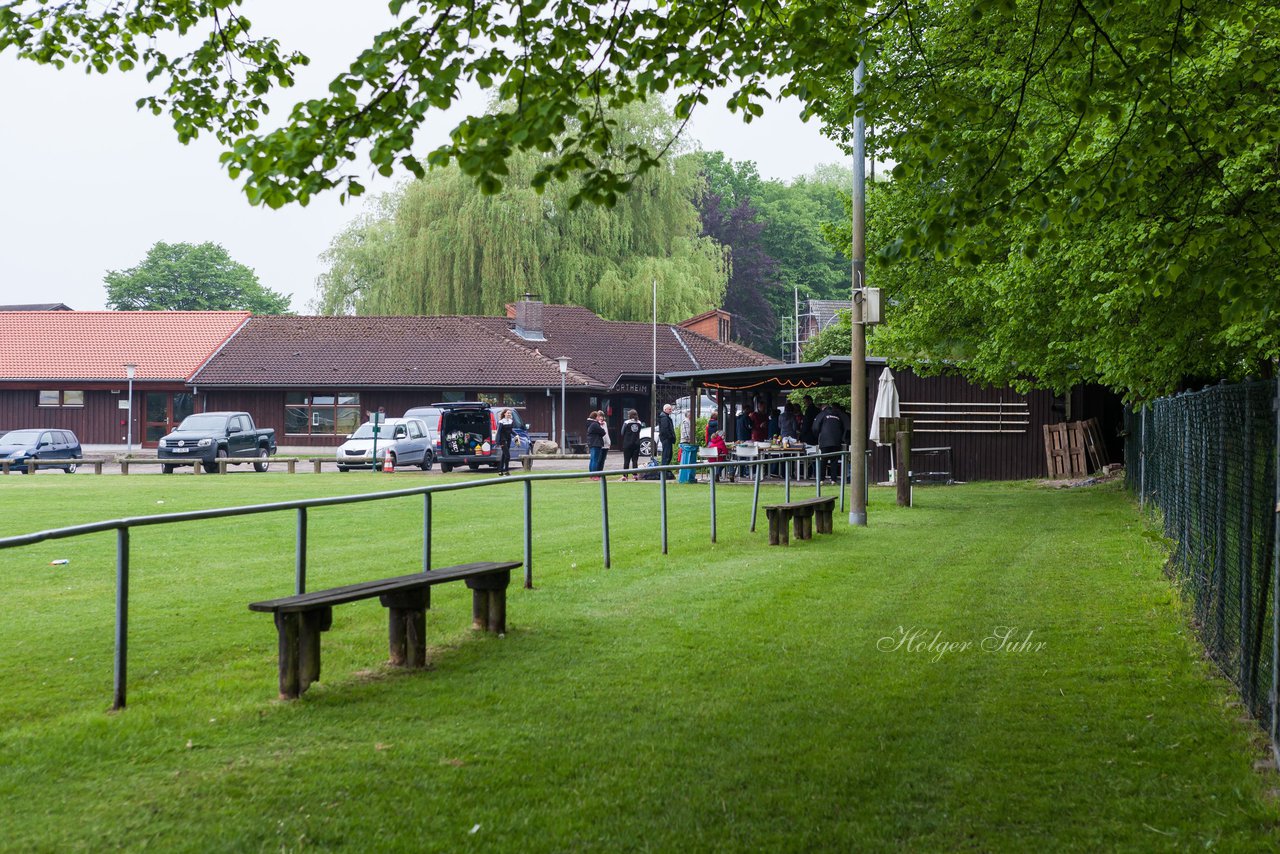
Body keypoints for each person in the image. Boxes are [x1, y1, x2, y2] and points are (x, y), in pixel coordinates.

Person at [813, 403, 846, 483]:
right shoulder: (838, 415)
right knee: (834, 460)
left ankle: (821, 479)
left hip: (825, 441)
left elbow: (815, 427)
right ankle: (833, 480)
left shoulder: (821, 414)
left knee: (823, 460)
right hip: (836, 441)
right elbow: (843, 427)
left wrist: (817, 436)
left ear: (823, 408)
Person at [619, 409, 643, 480]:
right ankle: (635, 475)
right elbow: (639, 431)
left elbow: (622, 432)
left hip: (627, 443)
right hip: (636, 443)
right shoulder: (639, 422)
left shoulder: (626, 422)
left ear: (630, 415)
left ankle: (625, 475)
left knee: (626, 460)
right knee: (635, 460)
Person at [657, 403, 676, 477]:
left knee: (668, 454)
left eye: (671, 409)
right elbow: (665, 429)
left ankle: (665, 469)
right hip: (666, 439)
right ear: (665, 410)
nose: (671, 410)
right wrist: (670, 436)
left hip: (666, 438)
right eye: (669, 409)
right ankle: (664, 470)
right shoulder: (664, 418)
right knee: (667, 454)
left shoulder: (665, 417)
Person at [586, 410, 606, 479]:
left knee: (592, 459)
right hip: (596, 443)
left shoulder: (589, 423)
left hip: (591, 443)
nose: (599, 417)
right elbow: (603, 432)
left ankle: (591, 475)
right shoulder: (595, 424)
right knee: (595, 460)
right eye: (598, 416)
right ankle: (594, 475)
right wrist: (600, 425)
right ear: (595, 417)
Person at [495, 408, 514, 476]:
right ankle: (506, 471)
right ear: (504, 414)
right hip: (503, 440)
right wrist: (498, 442)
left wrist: (516, 435)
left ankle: (500, 471)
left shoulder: (511, 421)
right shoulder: (501, 422)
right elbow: (499, 432)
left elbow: (511, 431)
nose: (509, 414)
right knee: (508, 456)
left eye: (510, 413)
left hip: (508, 439)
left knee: (504, 455)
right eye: (508, 413)